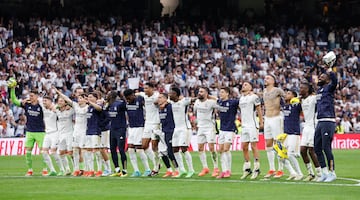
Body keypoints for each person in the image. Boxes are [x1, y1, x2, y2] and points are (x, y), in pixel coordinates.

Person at [8, 78, 46, 176]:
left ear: (37, 96)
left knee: (44, 152)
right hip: (29, 131)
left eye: (32, 96)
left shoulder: (42, 105)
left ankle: (45, 169)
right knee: (28, 152)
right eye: (30, 96)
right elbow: (14, 100)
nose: (31, 97)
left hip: (40, 131)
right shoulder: (26, 104)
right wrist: (12, 89)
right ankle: (30, 170)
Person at [314, 51, 338, 182]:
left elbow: (335, 81)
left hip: (328, 120)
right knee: (317, 147)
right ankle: (324, 172)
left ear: (328, 79)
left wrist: (330, 70)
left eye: (323, 76)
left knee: (326, 147)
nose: (320, 77)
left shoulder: (330, 87)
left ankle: (332, 172)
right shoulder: (319, 90)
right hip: (320, 121)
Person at [54, 87, 88, 176]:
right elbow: (66, 99)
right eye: (78, 97)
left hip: (80, 132)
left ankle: (84, 169)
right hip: (72, 132)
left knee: (82, 151)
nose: (79, 98)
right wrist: (58, 93)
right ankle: (74, 169)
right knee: (73, 151)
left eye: (81, 96)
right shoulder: (74, 106)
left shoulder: (86, 107)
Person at [123, 89, 152, 177]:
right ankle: (136, 171)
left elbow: (147, 99)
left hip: (140, 126)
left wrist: (138, 93)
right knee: (131, 149)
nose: (127, 100)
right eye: (126, 99)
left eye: (128, 98)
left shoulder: (139, 99)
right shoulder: (126, 102)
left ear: (133, 95)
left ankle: (148, 169)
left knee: (140, 149)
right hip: (131, 127)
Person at [262, 74, 286, 178]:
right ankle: (272, 168)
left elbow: (287, 98)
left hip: (276, 118)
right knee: (268, 143)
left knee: (278, 143)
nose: (265, 79)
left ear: (273, 81)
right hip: (267, 118)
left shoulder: (277, 90)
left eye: (268, 78)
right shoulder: (264, 92)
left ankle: (280, 169)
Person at [239, 81, 263, 180]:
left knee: (253, 146)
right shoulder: (241, 98)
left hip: (252, 125)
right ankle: (247, 168)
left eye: (246, 84)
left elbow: (259, 109)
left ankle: (257, 168)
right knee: (244, 146)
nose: (243, 86)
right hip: (244, 125)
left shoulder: (254, 97)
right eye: (243, 84)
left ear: (250, 87)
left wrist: (261, 121)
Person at [168, 87, 195, 178]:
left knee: (184, 149)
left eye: (171, 93)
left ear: (176, 95)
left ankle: (191, 170)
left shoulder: (183, 102)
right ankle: (182, 170)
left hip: (185, 128)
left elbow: (194, 99)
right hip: (176, 129)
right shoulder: (171, 102)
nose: (170, 95)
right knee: (174, 149)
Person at [194, 86, 219, 177]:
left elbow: (220, 103)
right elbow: (195, 113)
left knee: (211, 148)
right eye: (199, 91)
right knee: (200, 148)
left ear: (206, 93)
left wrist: (212, 97)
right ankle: (205, 168)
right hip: (200, 127)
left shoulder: (211, 103)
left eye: (201, 92)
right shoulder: (196, 102)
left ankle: (216, 168)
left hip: (210, 127)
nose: (199, 93)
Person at [299, 81, 322, 181]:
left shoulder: (313, 98)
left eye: (302, 88)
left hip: (313, 126)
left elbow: (320, 97)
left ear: (307, 89)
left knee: (312, 150)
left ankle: (319, 173)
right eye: (300, 88)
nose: (300, 90)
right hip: (306, 127)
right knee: (302, 150)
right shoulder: (302, 100)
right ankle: (310, 173)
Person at [214, 87, 239, 178]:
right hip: (222, 129)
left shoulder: (233, 102)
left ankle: (228, 170)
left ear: (227, 93)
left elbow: (241, 103)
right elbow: (214, 99)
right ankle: (224, 170)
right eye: (220, 92)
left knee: (226, 149)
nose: (220, 94)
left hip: (230, 129)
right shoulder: (219, 102)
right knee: (220, 150)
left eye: (222, 92)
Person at [279, 90, 303, 180]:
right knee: (280, 155)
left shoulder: (296, 106)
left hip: (294, 133)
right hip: (286, 134)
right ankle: (292, 172)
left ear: (294, 96)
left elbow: (302, 102)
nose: (286, 94)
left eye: (289, 93)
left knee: (290, 154)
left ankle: (299, 174)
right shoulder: (285, 106)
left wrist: (298, 99)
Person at [137, 82, 159, 176]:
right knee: (144, 145)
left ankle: (156, 167)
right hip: (147, 123)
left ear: (151, 89)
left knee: (154, 147)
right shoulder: (144, 95)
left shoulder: (157, 96)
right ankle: (157, 164)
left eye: (146, 88)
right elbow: (137, 93)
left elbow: (165, 100)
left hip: (156, 123)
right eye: (144, 88)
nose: (144, 90)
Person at [104, 91, 127, 177]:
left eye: (108, 94)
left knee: (121, 149)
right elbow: (105, 112)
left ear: (112, 96)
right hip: (112, 129)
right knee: (112, 150)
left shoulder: (119, 104)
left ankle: (125, 170)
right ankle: (117, 169)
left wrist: (122, 96)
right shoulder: (109, 105)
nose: (107, 95)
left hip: (120, 129)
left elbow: (125, 105)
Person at [157, 92, 179, 178]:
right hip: (162, 131)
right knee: (161, 152)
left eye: (161, 98)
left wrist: (167, 102)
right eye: (158, 98)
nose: (159, 99)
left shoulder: (170, 106)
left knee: (170, 152)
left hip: (170, 131)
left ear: (166, 99)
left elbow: (174, 102)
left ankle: (177, 170)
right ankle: (169, 170)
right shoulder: (160, 108)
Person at [83, 92, 103, 177]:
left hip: (96, 131)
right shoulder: (88, 108)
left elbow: (99, 109)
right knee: (88, 152)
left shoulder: (97, 106)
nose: (89, 98)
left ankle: (99, 170)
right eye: (88, 97)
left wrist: (90, 102)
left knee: (97, 151)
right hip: (88, 131)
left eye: (91, 97)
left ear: (96, 98)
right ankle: (91, 170)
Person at [41, 96, 60, 176]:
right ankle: (52, 170)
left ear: (50, 101)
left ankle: (63, 169)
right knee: (44, 152)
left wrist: (54, 108)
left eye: (45, 101)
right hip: (47, 133)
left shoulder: (56, 107)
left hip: (55, 132)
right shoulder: (43, 108)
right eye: (43, 101)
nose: (44, 102)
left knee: (53, 152)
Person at [55, 96, 74, 176]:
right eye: (59, 101)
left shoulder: (70, 110)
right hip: (61, 134)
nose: (60, 102)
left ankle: (76, 168)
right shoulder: (57, 111)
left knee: (71, 152)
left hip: (69, 133)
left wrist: (69, 105)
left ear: (65, 103)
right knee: (61, 152)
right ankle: (67, 169)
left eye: (62, 101)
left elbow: (74, 105)